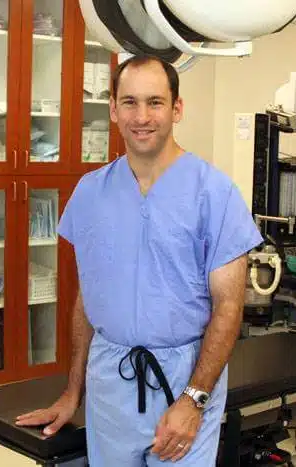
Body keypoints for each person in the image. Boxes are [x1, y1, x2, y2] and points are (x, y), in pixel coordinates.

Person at [15, 54, 263, 466]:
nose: (141, 116)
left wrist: (193, 400)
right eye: (129, 102)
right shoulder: (91, 193)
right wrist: (73, 391)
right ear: (113, 109)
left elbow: (229, 308)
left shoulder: (214, 195)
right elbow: (86, 300)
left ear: (177, 108)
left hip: (183, 379)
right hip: (110, 381)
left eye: (155, 102)